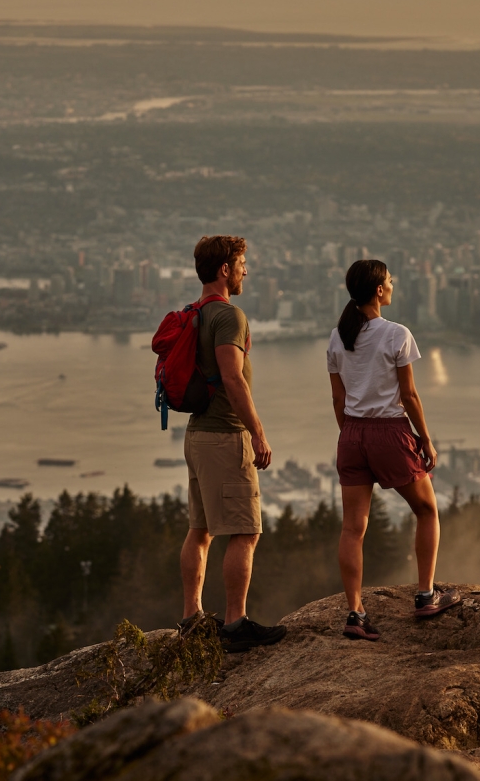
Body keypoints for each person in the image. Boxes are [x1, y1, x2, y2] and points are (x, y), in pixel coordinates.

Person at [326, 259, 461, 641]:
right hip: (390, 433)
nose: (392, 283)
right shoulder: (397, 334)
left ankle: (355, 614)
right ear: (379, 291)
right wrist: (425, 438)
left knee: (352, 528)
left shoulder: (338, 337)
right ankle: (425, 595)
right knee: (427, 509)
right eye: (389, 279)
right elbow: (409, 395)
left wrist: (353, 436)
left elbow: (338, 399)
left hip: (351, 435)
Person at [179, 234, 288, 653]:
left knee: (200, 529)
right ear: (224, 269)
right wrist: (257, 432)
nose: (246, 270)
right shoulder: (229, 316)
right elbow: (232, 377)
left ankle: (191, 618)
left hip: (197, 435)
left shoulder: (194, 313)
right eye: (242, 263)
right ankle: (235, 623)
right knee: (245, 531)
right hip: (225, 436)